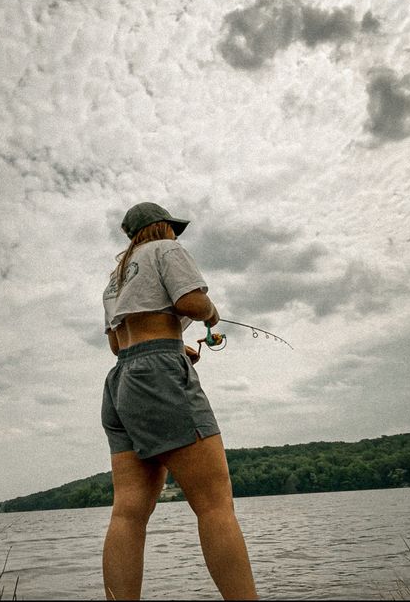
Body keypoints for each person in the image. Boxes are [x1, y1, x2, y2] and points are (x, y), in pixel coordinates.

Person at [101, 202, 258, 600]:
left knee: (128, 511)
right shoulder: (165, 250)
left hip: (122, 383)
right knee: (215, 504)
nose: (175, 236)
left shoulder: (114, 280)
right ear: (163, 228)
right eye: (172, 229)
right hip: (159, 376)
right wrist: (211, 312)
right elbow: (191, 303)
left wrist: (171, 347)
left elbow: (117, 344)